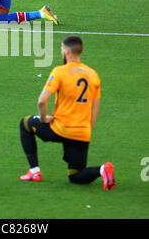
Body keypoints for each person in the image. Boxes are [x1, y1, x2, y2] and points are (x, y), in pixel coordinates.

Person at [19, 36, 115, 190]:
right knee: (76, 176)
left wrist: (44, 119)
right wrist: (87, 131)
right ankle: (103, 169)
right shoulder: (93, 75)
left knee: (25, 124)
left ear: (66, 51)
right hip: (82, 132)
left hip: (61, 129)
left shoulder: (60, 71)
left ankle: (34, 172)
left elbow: (41, 101)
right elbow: (94, 108)